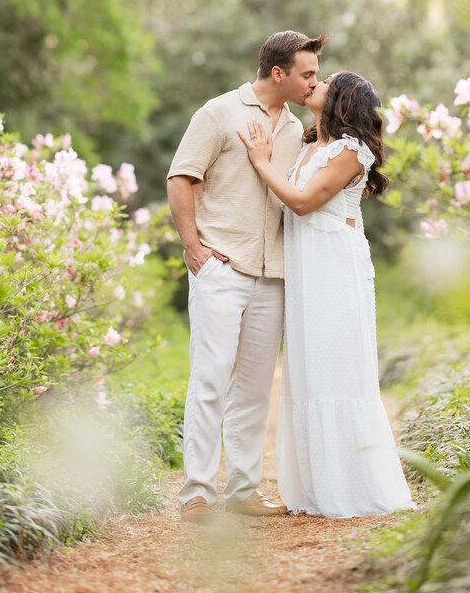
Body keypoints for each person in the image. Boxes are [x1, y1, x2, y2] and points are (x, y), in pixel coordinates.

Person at [167, 30, 327, 524]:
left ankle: (242, 489)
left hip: (273, 274)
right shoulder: (218, 113)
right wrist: (194, 247)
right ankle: (196, 491)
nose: (313, 82)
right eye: (307, 74)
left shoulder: (296, 127)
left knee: (256, 389)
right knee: (211, 378)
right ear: (278, 73)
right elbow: (180, 178)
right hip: (222, 266)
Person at [238, 71, 414, 518]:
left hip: (334, 263)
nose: (315, 82)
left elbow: (301, 202)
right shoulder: (310, 144)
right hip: (306, 263)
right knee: (311, 367)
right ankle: (316, 486)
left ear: (341, 100)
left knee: (336, 365)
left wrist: (261, 162)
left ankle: (349, 487)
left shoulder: (351, 150)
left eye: (326, 81)